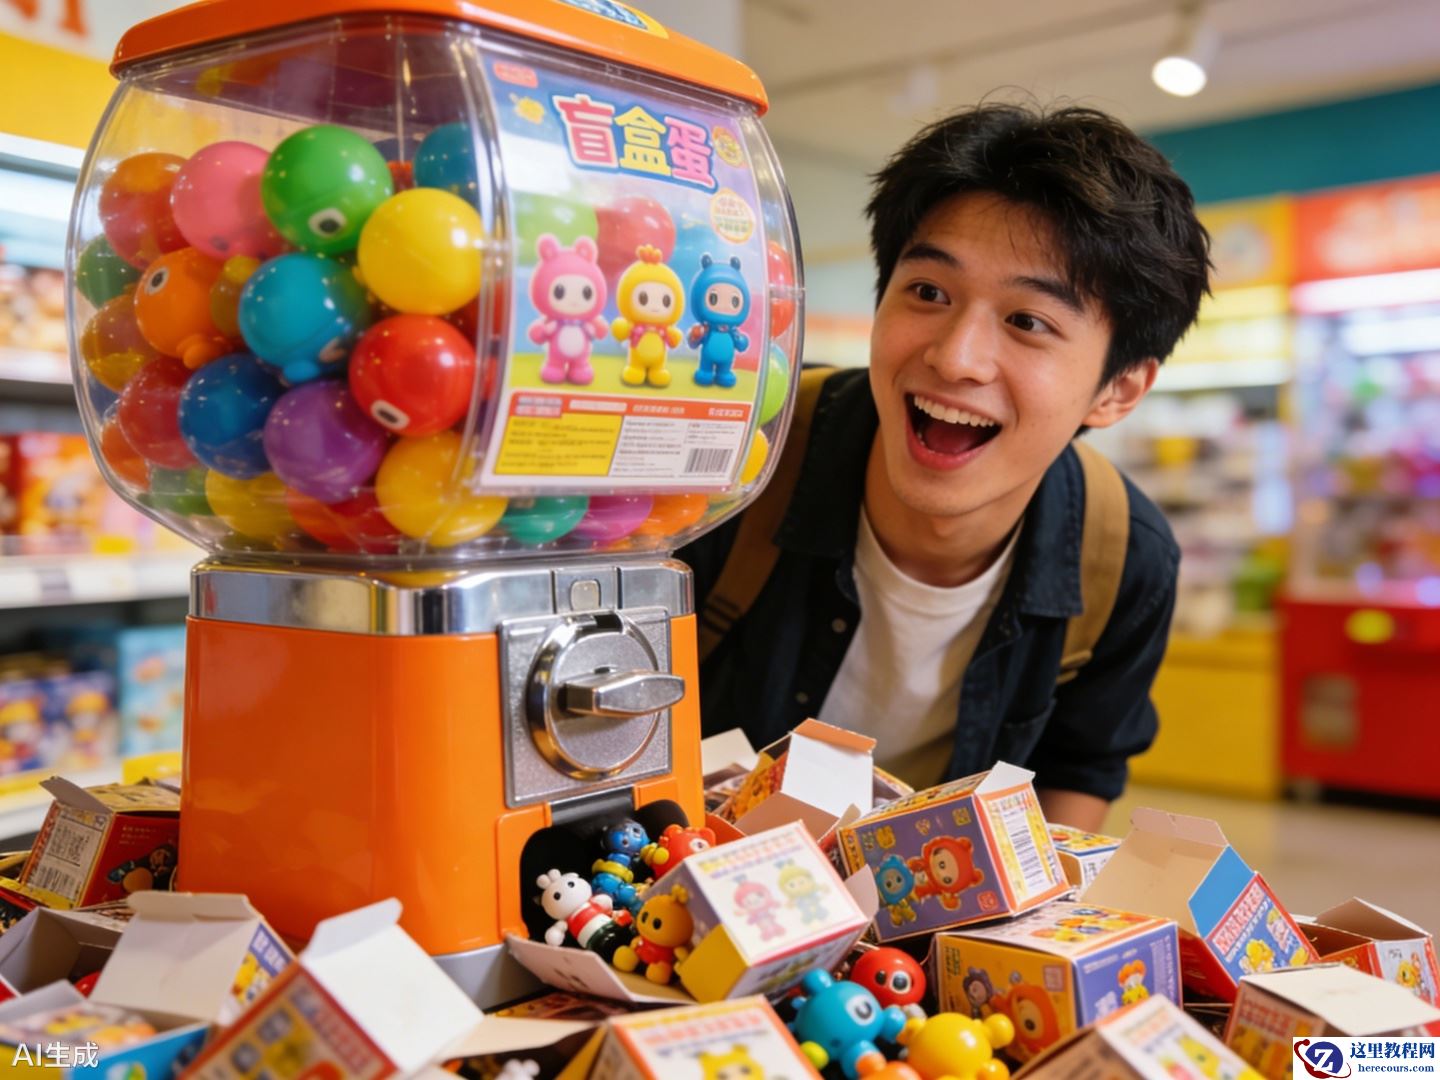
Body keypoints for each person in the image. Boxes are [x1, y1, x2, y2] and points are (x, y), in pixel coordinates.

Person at [679, 103, 1212, 831]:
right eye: (929, 292)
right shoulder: (739, 456)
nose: (955, 357)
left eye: (1028, 321)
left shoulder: (1123, 559)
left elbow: (1080, 770)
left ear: (1118, 389)